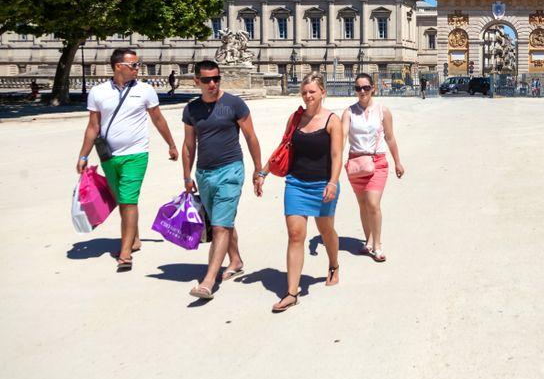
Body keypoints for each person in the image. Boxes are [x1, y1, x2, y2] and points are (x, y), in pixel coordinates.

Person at [76, 48, 178, 271]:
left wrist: (171, 144)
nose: (137, 68)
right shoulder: (98, 92)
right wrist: (83, 155)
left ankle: (125, 252)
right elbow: (93, 126)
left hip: (137, 154)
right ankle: (135, 238)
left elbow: (158, 119)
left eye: (138, 65)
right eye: (133, 65)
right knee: (122, 199)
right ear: (117, 66)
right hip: (108, 156)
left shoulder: (145, 90)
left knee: (129, 199)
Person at [257, 73, 344, 313]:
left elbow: (337, 155)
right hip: (296, 183)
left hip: (323, 184)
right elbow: (283, 146)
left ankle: (334, 264)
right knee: (296, 234)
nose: (308, 96)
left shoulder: (332, 121)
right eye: (304, 92)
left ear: (322, 93)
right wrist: (263, 172)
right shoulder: (295, 119)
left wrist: (333, 182)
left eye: (312, 92)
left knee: (326, 230)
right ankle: (291, 292)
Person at [182, 60, 264, 300]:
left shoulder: (234, 104)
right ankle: (235, 260)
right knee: (223, 221)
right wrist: (187, 175)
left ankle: (208, 281)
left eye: (216, 78)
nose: (212, 84)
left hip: (231, 170)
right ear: (196, 81)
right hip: (204, 173)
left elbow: (251, 137)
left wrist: (258, 171)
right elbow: (189, 146)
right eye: (206, 80)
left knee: (219, 226)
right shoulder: (191, 109)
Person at [342, 73, 405, 263]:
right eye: (358, 88)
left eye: (366, 88)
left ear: (373, 88)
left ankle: (377, 246)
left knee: (372, 203)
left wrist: (397, 161)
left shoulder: (383, 111)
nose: (362, 91)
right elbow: (342, 137)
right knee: (362, 205)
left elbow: (390, 137)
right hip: (355, 164)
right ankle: (368, 240)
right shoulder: (348, 112)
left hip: (377, 162)